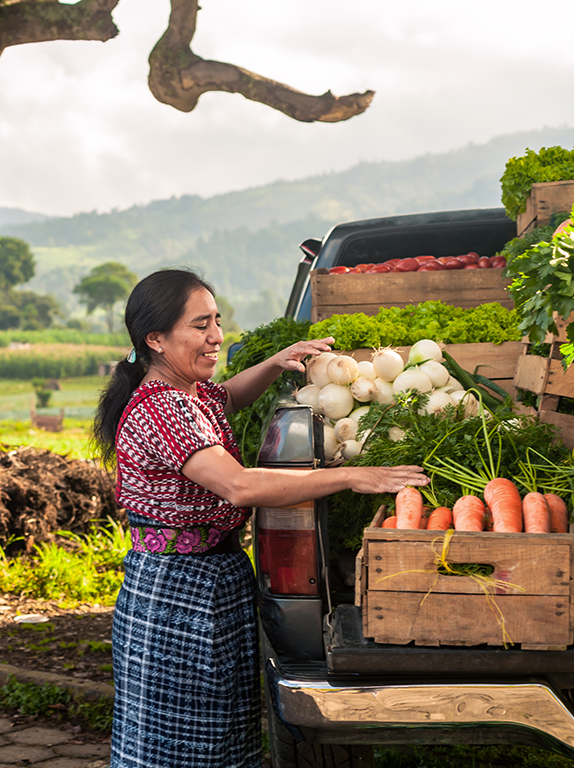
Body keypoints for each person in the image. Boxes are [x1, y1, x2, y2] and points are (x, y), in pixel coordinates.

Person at [94, 269, 428, 768]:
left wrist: (276, 362)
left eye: (217, 320)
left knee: (220, 731)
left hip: (208, 579)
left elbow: (227, 397)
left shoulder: (187, 392)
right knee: (185, 746)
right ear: (156, 339)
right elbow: (240, 484)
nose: (216, 336)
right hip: (179, 594)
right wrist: (352, 476)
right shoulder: (162, 408)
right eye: (200, 325)